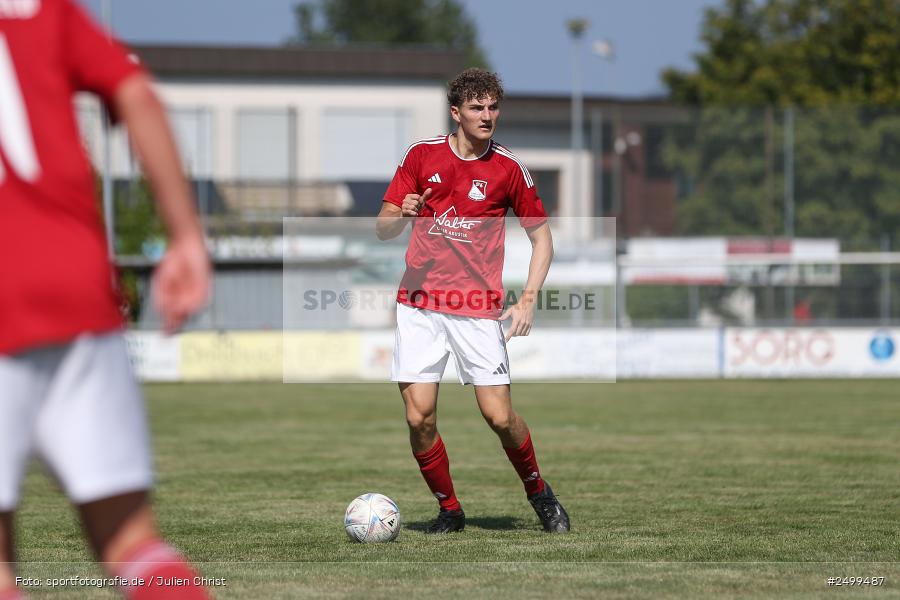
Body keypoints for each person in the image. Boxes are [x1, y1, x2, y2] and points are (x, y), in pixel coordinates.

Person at [0, 1, 211, 598]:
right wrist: (187, 237)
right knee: (133, 544)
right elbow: (137, 94)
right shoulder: (40, 6)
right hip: (75, 285)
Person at [376, 68, 570, 534]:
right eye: (477, 108)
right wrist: (402, 214)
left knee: (498, 416)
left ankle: (539, 491)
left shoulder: (508, 169)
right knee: (418, 416)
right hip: (419, 303)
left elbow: (543, 240)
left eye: (493, 107)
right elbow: (382, 226)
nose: (487, 116)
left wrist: (526, 300)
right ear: (456, 112)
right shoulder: (421, 156)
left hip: (476, 307)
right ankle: (450, 510)